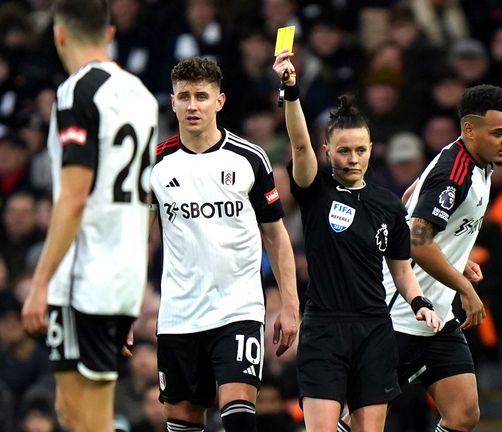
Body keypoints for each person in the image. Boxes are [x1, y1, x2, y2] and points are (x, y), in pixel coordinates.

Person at [273, 50, 443, 432]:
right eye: (344, 150)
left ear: (371, 149)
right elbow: (299, 143)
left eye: (360, 150)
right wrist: (291, 91)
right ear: (327, 151)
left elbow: (401, 269)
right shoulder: (315, 191)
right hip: (323, 328)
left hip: (373, 330)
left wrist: (419, 302)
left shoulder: (387, 205)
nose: (353, 158)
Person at [20, 1, 159, 430]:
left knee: (90, 421)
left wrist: (40, 282)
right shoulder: (141, 94)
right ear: (109, 34)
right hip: (119, 274)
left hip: (84, 276)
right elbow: (145, 199)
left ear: (60, 33)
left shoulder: (76, 91)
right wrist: (128, 291)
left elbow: (74, 197)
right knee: (69, 412)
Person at [150, 56, 300, 432]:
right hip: (178, 314)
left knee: (238, 416)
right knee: (184, 423)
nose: (192, 105)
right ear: (172, 102)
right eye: (184, 96)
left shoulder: (250, 158)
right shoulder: (156, 164)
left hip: (238, 309)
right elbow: (142, 238)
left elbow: (276, 234)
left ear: (219, 101)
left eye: (201, 96)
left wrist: (290, 305)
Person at [374, 83, 502, 432]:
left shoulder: (478, 162)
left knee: (464, 413)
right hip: (399, 315)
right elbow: (418, 243)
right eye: (498, 132)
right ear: (469, 129)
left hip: (437, 317)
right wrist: (465, 288)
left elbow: (411, 197)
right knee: (363, 419)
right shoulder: (455, 170)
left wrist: (456, 253)